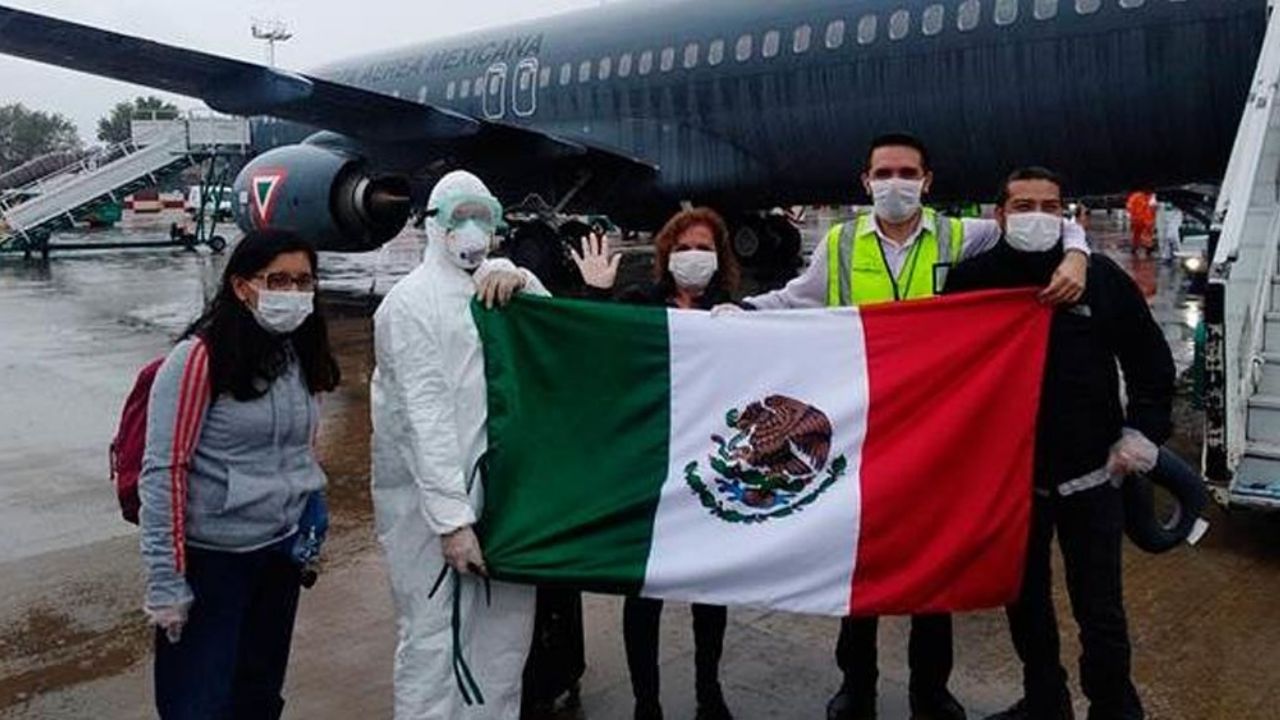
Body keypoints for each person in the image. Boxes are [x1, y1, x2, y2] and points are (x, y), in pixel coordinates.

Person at [738, 133, 1093, 720]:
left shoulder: (961, 234)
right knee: (860, 556)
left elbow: (1043, 224)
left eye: (907, 172)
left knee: (934, 561)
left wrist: (1077, 251)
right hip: (866, 418)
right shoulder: (842, 241)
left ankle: (932, 688)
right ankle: (858, 683)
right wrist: (737, 315)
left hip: (938, 424)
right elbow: (798, 300)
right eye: (885, 172)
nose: (895, 182)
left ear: (927, 182)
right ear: (866, 181)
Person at [944, 167, 1176, 720]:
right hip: (1012, 481)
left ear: (1065, 214)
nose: (1037, 217)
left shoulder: (1099, 279)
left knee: (1100, 608)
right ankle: (1045, 698)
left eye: (1049, 206)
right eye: (1024, 206)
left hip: (1093, 474)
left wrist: (1142, 432)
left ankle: (1114, 705)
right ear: (1000, 216)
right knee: (1024, 602)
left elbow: (1150, 362)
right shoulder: (971, 281)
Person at [140, 229, 341, 719]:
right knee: (199, 703)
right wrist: (166, 583)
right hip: (215, 563)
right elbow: (164, 471)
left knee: (259, 695)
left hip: (279, 554)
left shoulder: (297, 356)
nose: (293, 294)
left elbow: (300, 452)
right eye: (278, 280)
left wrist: (310, 512)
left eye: (303, 282)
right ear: (241, 286)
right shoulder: (199, 359)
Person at [371, 170, 549, 720]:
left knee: (503, 647)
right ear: (433, 226)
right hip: (431, 514)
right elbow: (424, 419)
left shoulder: (498, 292)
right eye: (459, 218)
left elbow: (555, 342)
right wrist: (451, 521)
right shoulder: (411, 304)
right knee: (435, 643)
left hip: (505, 504)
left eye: (483, 218)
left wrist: (522, 279)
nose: (472, 230)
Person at [572, 207, 739, 720]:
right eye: (684, 248)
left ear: (720, 257)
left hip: (710, 470)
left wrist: (748, 332)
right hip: (650, 468)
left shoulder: (730, 312)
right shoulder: (640, 303)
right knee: (644, 592)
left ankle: (708, 688)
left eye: (705, 248)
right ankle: (648, 701)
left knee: (711, 593)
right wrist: (596, 294)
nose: (694, 257)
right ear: (667, 255)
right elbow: (591, 347)